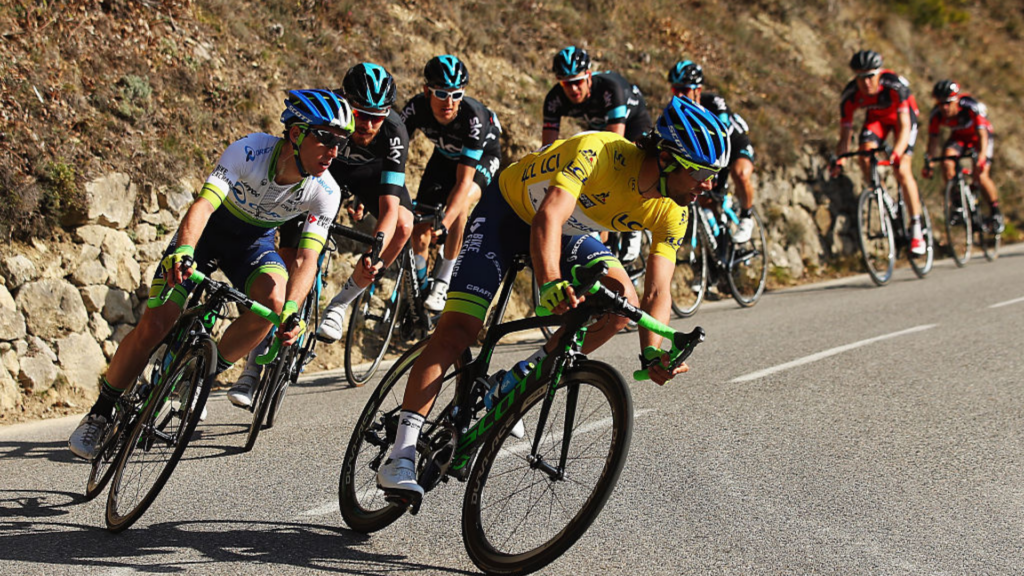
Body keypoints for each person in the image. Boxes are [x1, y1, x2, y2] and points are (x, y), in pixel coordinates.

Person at [375, 96, 730, 497]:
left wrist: (652, 352)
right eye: (702, 173)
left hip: (569, 233)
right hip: (507, 214)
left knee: (619, 304)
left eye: (714, 175)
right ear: (666, 159)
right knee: (459, 330)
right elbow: (549, 214)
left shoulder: (675, 210)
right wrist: (550, 282)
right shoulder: (600, 152)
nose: (709, 185)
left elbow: (658, 289)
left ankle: (520, 377)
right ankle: (400, 456)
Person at [68, 89, 354, 458]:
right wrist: (184, 252)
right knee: (155, 326)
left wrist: (292, 311)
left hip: (252, 245)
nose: (334, 151)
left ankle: (198, 373)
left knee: (273, 301)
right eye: (327, 139)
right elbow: (203, 206)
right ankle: (100, 413)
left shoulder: (326, 190)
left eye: (341, 143)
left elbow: (305, 259)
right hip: (206, 236)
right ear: (297, 133)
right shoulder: (250, 151)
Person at [224, 65, 416, 406]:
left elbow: (389, 209)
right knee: (288, 262)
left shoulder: (394, 130)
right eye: (361, 115)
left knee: (402, 225)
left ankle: (340, 304)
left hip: (369, 176)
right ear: (346, 101)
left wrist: (374, 253)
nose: (368, 125)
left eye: (377, 117)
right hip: (324, 169)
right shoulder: (328, 111)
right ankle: (252, 368)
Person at [399, 54, 503, 312]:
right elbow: (393, 153)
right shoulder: (416, 108)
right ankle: (420, 283)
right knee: (420, 226)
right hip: (444, 157)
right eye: (442, 94)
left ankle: (444, 280)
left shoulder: (472, 117)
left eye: (457, 94)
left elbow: (464, 182)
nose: (450, 102)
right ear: (427, 91)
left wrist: (444, 224)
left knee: (460, 205)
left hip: (482, 158)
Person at [543, 46, 654, 260]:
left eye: (578, 82)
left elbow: (614, 147)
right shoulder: (554, 98)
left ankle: (633, 222)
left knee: (627, 163)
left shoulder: (610, 89)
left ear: (589, 75)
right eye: (566, 83)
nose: (573, 89)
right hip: (600, 124)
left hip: (633, 122)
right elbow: (547, 150)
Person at [830, 49, 926, 255]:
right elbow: (845, 134)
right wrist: (840, 160)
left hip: (903, 119)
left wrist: (897, 152)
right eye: (860, 78)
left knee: (902, 169)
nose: (866, 83)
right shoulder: (850, 94)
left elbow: (905, 126)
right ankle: (882, 196)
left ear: (879, 73)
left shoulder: (895, 86)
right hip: (877, 120)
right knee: (864, 154)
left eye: (870, 76)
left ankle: (917, 228)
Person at [668, 60, 758, 243]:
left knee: (740, 174)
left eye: (684, 90)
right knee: (703, 197)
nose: (679, 95)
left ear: (698, 90)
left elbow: (722, 137)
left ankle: (746, 217)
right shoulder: (677, 113)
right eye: (675, 90)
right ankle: (721, 242)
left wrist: (714, 173)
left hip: (734, 145)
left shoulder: (715, 102)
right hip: (711, 157)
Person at [922, 79, 1004, 234]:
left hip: (979, 138)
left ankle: (995, 212)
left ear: (956, 100)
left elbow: (982, 136)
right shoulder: (936, 114)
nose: (944, 107)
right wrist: (929, 162)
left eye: (948, 103)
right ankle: (957, 202)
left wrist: (981, 158)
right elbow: (933, 140)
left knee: (981, 174)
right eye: (940, 103)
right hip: (959, 138)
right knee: (947, 160)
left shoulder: (970, 107)